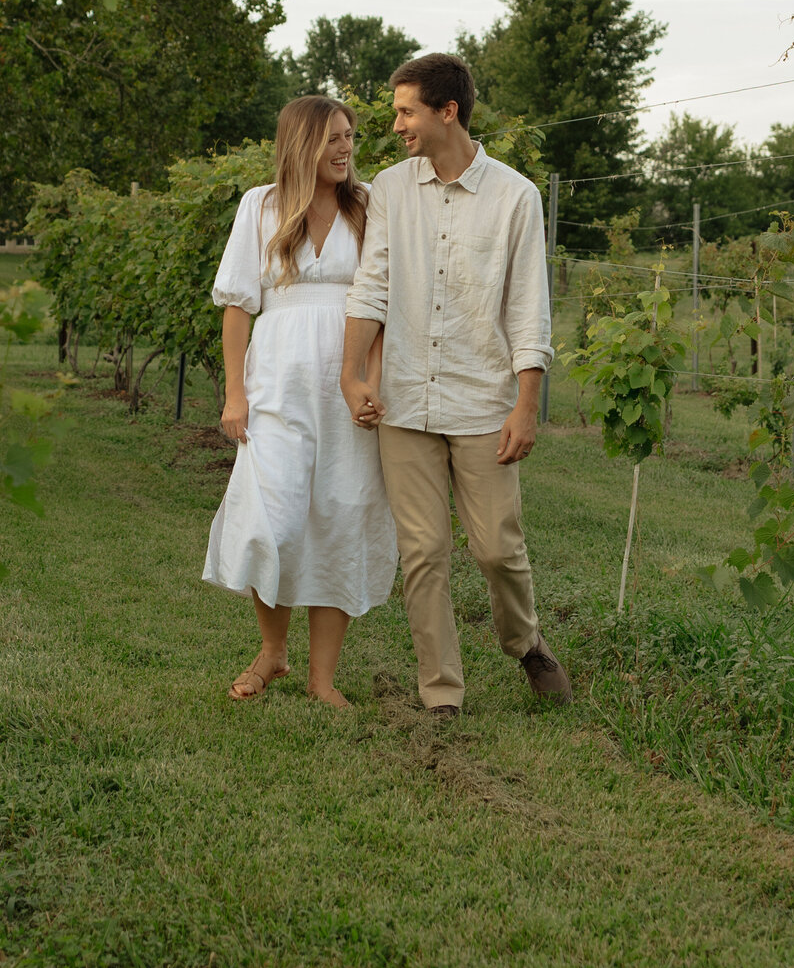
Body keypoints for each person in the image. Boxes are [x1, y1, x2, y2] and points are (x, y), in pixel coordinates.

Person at [340, 52, 571, 716]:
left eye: (406, 111)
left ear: (449, 111)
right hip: (405, 399)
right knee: (423, 553)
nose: (397, 126)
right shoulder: (390, 188)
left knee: (497, 548)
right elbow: (374, 283)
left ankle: (525, 642)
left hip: (481, 401)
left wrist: (526, 406)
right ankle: (442, 692)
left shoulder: (515, 197)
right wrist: (354, 375)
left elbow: (529, 309)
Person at [204, 95, 397, 707]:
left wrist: (371, 381)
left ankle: (322, 678)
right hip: (276, 385)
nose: (346, 149)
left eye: (350, 138)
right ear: (301, 144)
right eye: (333, 139)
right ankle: (272, 652)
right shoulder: (259, 206)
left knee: (340, 514)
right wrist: (236, 394)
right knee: (273, 519)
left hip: (346, 384)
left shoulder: (367, 208)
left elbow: (382, 307)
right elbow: (238, 305)